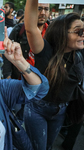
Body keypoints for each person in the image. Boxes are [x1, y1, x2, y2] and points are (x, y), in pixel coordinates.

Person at [24, 0, 84, 149]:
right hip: (38, 109)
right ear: (62, 32)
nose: (83, 35)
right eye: (79, 31)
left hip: (61, 112)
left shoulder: (79, 55)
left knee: (49, 146)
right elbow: (31, 29)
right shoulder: (45, 51)